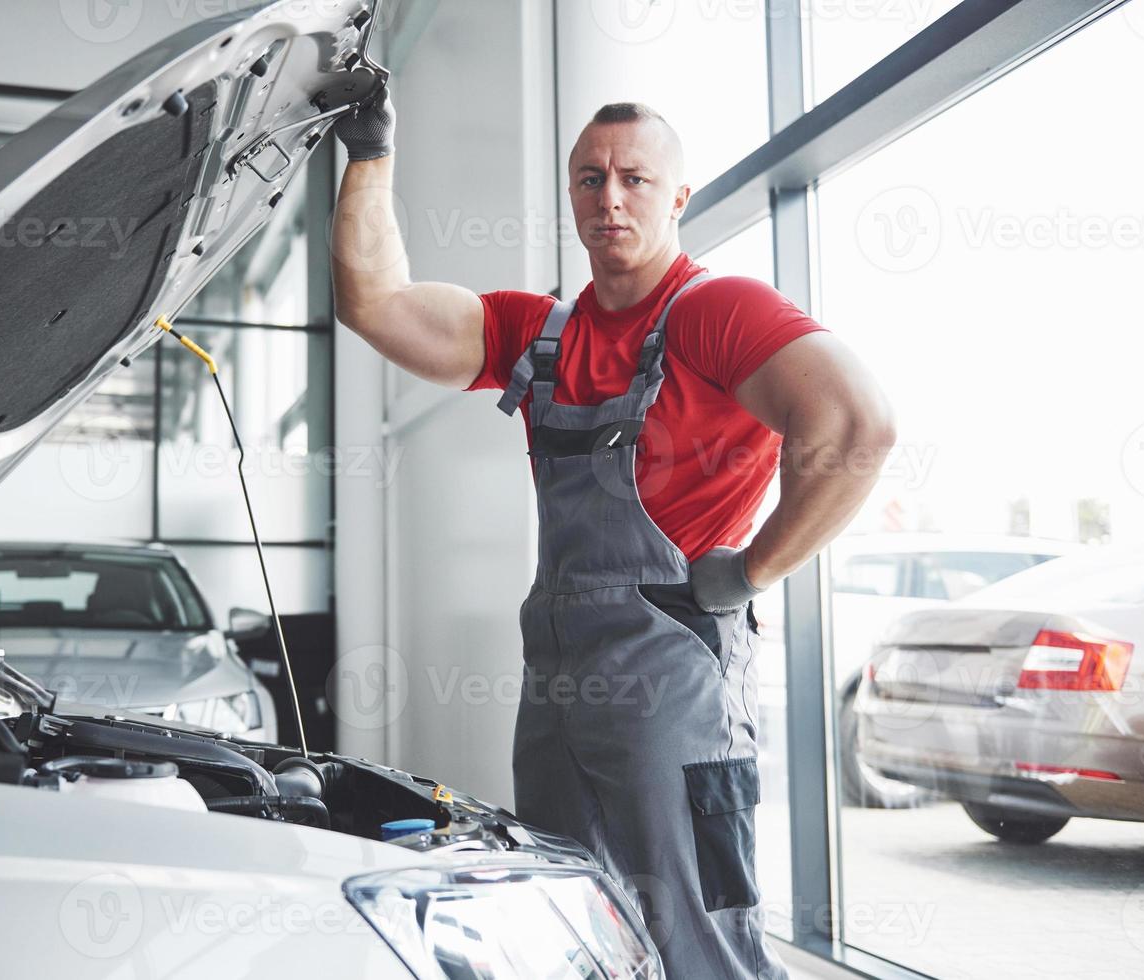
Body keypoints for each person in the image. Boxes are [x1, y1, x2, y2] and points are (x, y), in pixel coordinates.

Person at [331, 86, 895, 978]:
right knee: (570, 917)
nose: (610, 198)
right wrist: (368, 155)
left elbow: (857, 427)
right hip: (556, 665)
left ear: (677, 198)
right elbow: (377, 305)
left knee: (698, 935)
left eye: (636, 178)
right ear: (571, 194)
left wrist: (752, 571)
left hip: (671, 663)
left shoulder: (718, 312)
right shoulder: (537, 333)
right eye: (590, 179)